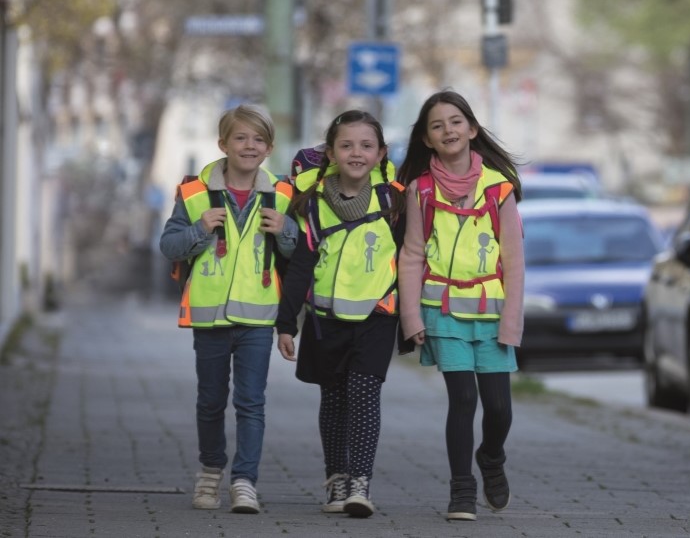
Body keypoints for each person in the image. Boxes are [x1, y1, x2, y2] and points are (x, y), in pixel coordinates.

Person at [159, 104, 298, 514]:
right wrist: (200, 229)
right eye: (240, 137)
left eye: (258, 139)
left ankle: (244, 481)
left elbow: (300, 254)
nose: (249, 146)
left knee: (251, 402)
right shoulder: (194, 194)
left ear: (269, 147)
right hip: (210, 317)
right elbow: (169, 246)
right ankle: (209, 471)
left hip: (258, 317)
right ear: (223, 144)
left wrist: (286, 231)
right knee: (210, 401)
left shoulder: (283, 195)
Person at [395, 89, 524, 521]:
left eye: (455, 121)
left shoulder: (499, 189)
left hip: (492, 313)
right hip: (444, 312)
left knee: (499, 408)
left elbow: (514, 261)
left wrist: (512, 321)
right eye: (437, 125)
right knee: (463, 399)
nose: (447, 130)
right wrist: (411, 317)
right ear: (426, 139)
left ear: (471, 129)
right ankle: (461, 490)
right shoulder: (420, 190)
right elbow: (412, 255)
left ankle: (491, 456)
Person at [275, 109, 407, 518]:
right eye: (346, 145)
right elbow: (301, 266)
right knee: (333, 401)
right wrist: (286, 324)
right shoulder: (312, 205)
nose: (356, 153)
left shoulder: (395, 201)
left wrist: (414, 320)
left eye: (366, 146)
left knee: (365, 396)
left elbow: (410, 259)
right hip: (325, 320)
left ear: (381, 153)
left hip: (377, 317)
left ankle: (360, 483)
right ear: (330, 153)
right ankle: (336, 478)